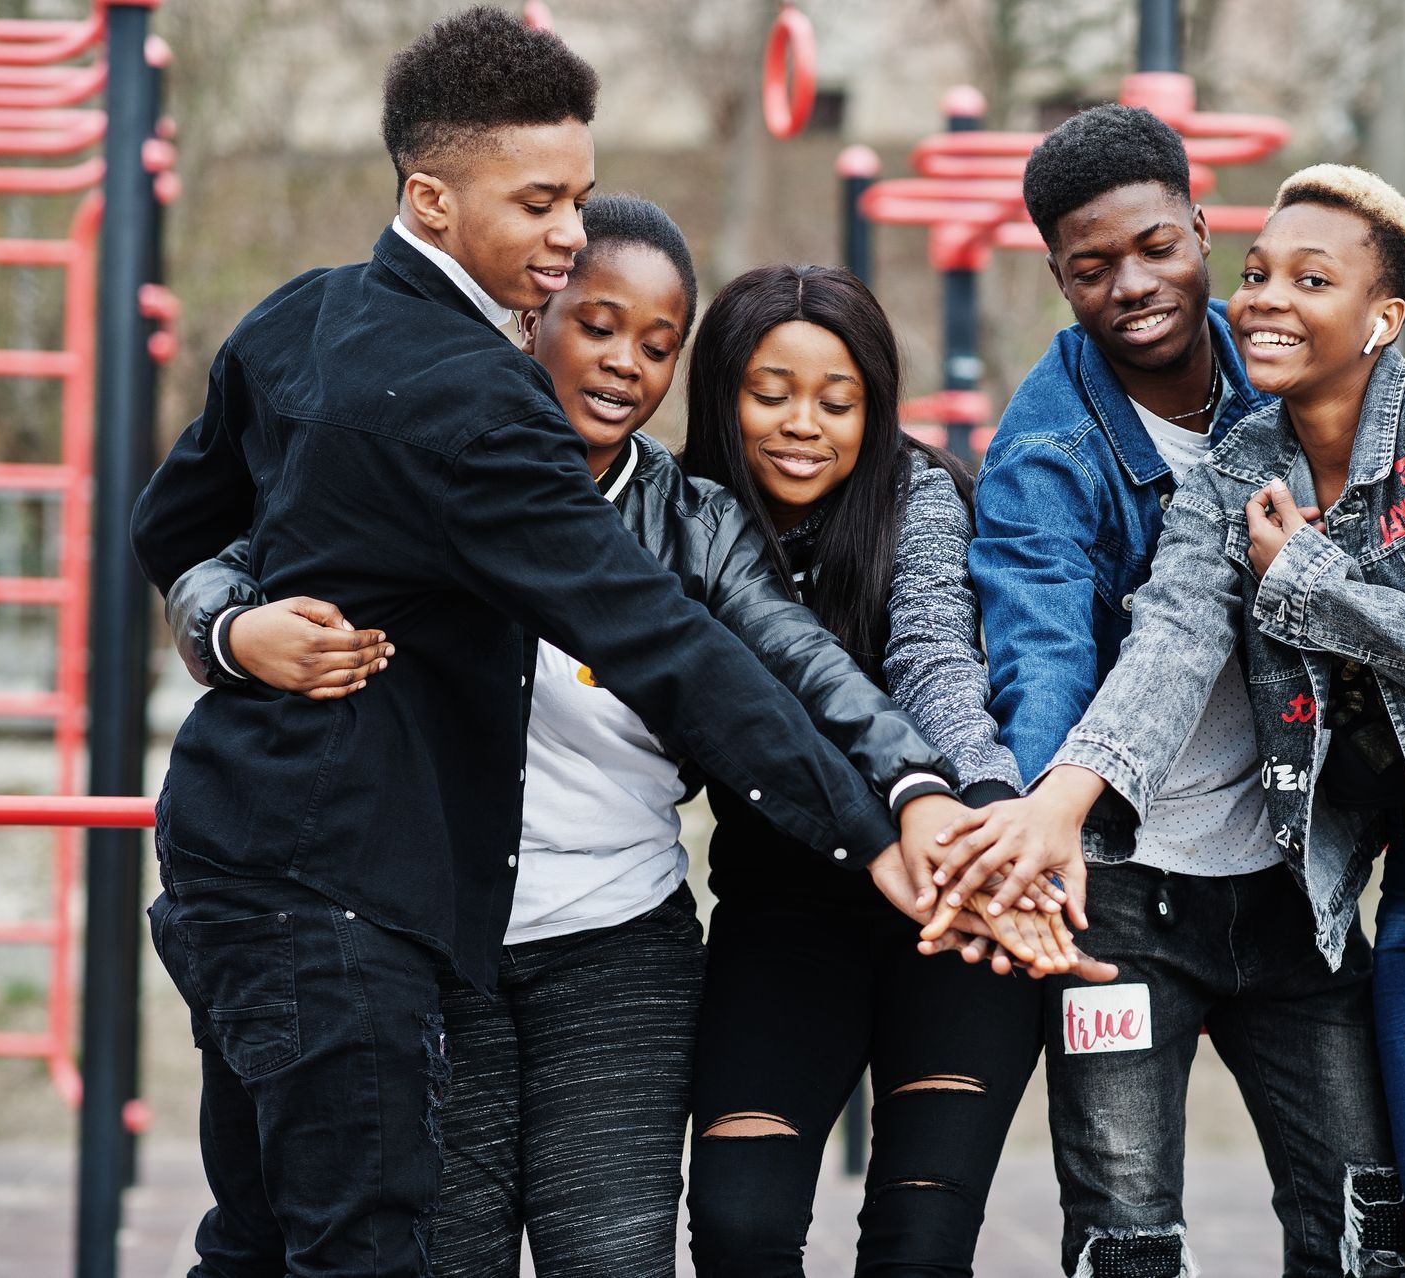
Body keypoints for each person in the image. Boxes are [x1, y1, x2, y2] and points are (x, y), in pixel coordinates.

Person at [129, 14, 975, 1275]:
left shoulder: (301, 314)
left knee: (255, 1241)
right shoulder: (483, 406)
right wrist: (867, 829)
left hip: (229, 863)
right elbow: (657, 639)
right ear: (431, 195)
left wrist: (232, 623)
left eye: (578, 195)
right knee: (361, 1246)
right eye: (539, 204)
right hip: (339, 898)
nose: (571, 233)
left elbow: (172, 521)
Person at [936, 162, 1405, 1278]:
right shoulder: (1237, 470)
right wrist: (1060, 799)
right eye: (1257, 274)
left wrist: (1313, 582)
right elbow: (1173, 639)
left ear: (1380, 316)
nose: (1265, 300)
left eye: (1310, 278)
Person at [926, 106, 1405, 1278]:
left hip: (1295, 877)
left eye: (1157, 247)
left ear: (1202, 229)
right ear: (1057, 276)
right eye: (1092, 269)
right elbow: (1041, 651)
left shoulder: (1291, 366)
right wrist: (1052, 820)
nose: (1133, 284)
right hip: (1128, 897)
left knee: (1366, 1226)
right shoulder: (1046, 457)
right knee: (1127, 1240)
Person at [678, 263, 1112, 1278]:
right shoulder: (681, 519)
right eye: (770, 393)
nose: (804, 425)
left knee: (920, 1249)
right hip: (781, 914)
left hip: (958, 907)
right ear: (719, 393)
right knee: (739, 1232)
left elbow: (934, 661)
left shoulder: (919, 495)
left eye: (839, 401)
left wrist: (992, 812)